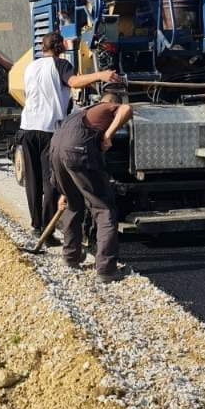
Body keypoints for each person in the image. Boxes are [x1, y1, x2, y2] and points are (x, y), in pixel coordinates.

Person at [19, 31, 120, 238]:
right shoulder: (61, 64)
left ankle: (36, 226)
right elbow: (73, 82)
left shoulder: (31, 67)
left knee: (33, 181)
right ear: (60, 48)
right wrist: (101, 75)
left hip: (27, 128)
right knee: (51, 183)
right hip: (49, 130)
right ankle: (47, 232)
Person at [50, 91, 133, 284]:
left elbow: (59, 150)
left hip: (56, 151)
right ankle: (106, 269)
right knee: (103, 209)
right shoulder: (105, 106)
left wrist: (63, 191)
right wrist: (107, 135)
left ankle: (71, 257)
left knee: (72, 204)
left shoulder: (77, 114)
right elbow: (126, 109)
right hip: (77, 151)